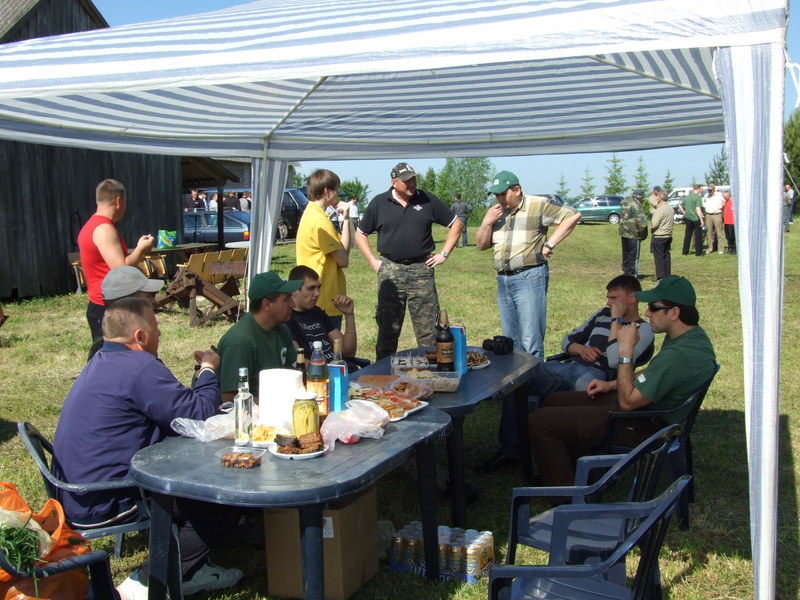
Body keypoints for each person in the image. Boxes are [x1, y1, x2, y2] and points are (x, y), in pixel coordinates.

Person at [52, 298, 242, 599]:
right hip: (107, 497)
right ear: (140, 336)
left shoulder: (102, 360)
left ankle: (191, 568)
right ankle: (147, 582)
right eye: (156, 328)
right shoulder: (139, 367)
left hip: (76, 490)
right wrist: (207, 370)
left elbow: (173, 411)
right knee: (223, 498)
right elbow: (200, 417)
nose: (160, 334)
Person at [529, 275, 716, 490]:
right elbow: (652, 374)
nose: (647, 313)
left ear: (674, 313)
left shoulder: (678, 355)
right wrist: (610, 385)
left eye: (653, 307)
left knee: (541, 421)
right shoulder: (693, 337)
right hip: (647, 410)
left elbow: (627, 403)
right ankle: (578, 475)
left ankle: (566, 495)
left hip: (645, 424)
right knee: (554, 400)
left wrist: (626, 350)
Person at [478, 275, 655, 472]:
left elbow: (614, 360)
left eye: (614, 298)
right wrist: (581, 349)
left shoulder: (644, 328)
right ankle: (512, 451)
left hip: (599, 377)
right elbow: (567, 340)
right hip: (568, 366)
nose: (608, 303)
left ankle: (576, 462)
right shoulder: (602, 314)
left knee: (580, 401)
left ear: (632, 298)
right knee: (517, 379)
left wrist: (617, 320)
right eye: (607, 297)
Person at [356, 162, 463, 360]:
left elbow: (457, 223)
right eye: (406, 181)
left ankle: (433, 373)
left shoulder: (427, 199)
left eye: (413, 179)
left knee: (428, 332)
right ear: (394, 182)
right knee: (387, 330)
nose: (411, 184)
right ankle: (383, 374)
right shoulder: (379, 203)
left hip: (421, 271)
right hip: (390, 271)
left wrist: (444, 254)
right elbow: (360, 233)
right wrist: (372, 260)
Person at [476, 170, 580, 358]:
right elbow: (481, 245)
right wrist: (486, 223)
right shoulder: (496, 212)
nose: (500, 199)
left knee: (530, 340)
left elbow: (572, 215)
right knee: (510, 340)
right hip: (503, 280)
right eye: (496, 195)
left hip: (529, 277)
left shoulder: (538, 204)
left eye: (503, 193)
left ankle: (534, 376)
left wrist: (550, 244)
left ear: (517, 189)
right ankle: (516, 376)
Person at [78, 179, 154, 342]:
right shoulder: (104, 228)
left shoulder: (92, 225)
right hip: (107, 305)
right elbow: (121, 269)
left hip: (101, 302)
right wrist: (141, 249)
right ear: (119, 201)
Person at [216, 271, 301, 402]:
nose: (293, 304)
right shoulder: (240, 341)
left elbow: (294, 373)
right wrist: (276, 404)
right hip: (255, 412)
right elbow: (229, 397)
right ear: (267, 305)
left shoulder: (282, 329)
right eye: (286, 299)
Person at [296, 169, 351, 331]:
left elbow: (343, 250)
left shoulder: (311, 213)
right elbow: (343, 260)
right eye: (337, 189)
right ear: (327, 191)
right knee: (331, 345)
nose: (338, 193)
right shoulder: (320, 221)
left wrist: (346, 219)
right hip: (325, 298)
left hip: (314, 295)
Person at [86, 265, 164, 361]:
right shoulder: (119, 352)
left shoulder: (108, 343)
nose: (154, 301)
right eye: (149, 297)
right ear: (128, 303)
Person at [287, 265, 357, 362]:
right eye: (311, 288)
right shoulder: (287, 318)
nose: (317, 293)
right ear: (294, 290)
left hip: (338, 368)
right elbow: (299, 362)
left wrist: (349, 314)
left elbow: (348, 351)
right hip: (319, 371)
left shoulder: (317, 312)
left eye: (318, 287)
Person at [618, 188, 648, 278]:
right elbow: (642, 222)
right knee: (633, 256)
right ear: (640, 197)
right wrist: (642, 234)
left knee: (626, 255)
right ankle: (632, 275)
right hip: (634, 233)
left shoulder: (624, 201)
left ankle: (625, 272)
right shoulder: (637, 205)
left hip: (624, 232)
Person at [650, 190, 674, 281]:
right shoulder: (670, 208)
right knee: (666, 255)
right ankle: (667, 275)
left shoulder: (660, 209)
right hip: (668, 235)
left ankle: (661, 276)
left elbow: (654, 223)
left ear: (660, 198)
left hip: (659, 236)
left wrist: (651, 229)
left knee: (659, 257)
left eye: (657, 197)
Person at [680, 184, 706, 256]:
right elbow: (698, 209)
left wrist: (684, 213)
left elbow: (680, 205)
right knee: (698, 236)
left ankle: (685, 251)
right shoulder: (698, 197)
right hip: (695, 218)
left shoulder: (688, 197)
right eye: (701, 189)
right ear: (698, 189)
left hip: (688, 218)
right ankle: (698, 252)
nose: (702, 190)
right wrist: (701, 220)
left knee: (687, 235)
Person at [703, 184, 725, 253]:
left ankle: (721, 249)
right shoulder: (706, 195)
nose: (709, 191)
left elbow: (724, 201)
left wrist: (720, 207)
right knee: (708, 233)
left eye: (711, 190)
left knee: (719, 232)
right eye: (708, 190)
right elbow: (703, 202)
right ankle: (710, 248)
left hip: (717, 214)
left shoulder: (719, 195)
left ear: (714, 189)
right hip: (708, 215)